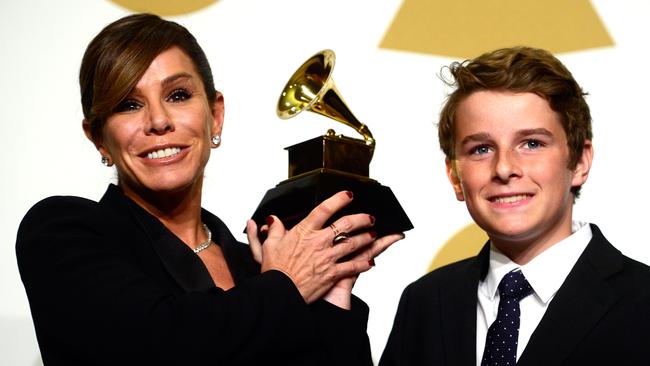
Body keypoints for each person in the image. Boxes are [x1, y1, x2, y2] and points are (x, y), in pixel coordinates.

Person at [16, 13, 402, 366]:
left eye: (178, 95)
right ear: (98, 137)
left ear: (215, 116)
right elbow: (158, 343)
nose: (158, 121)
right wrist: (289, 286)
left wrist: (331, 299)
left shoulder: (260, 265)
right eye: (128, 104)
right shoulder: (61, 234)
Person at [379, 46, 650, 365]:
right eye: (481, 149)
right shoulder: (425, 301)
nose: (504, 168)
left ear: (579, 162)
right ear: (455, 176)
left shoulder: (643, 302)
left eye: (532, 143)